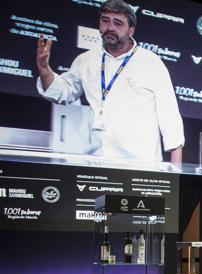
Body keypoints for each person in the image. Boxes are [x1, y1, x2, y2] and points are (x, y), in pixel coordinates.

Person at [35, 0, 184, 164]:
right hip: (96, 162)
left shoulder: (151, 63)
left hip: (140, 167)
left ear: (131, 31)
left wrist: (175, 177)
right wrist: (44, 69)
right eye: (105, 20)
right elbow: (61, 92)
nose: (110, 27)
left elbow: (170, 119)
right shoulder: (86, 60)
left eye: (118, 23)